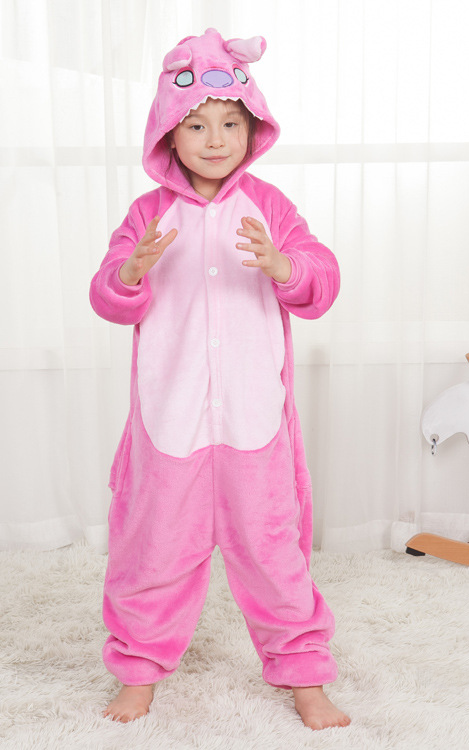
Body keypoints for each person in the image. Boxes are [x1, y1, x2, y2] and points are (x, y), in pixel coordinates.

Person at [89, 28, 350, 731]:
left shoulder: (271, 207)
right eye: (196, 125)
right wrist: (130, 272)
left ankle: (304, 672)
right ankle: (138, 670)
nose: (214, 139)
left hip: (252, 419)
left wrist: (284, 267)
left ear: (253, 128)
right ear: (168, 136)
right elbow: (108, 296)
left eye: (231, 123)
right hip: (169, 420)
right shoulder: (149, 214)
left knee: (272, 552)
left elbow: (321, 281)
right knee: (153, 551)